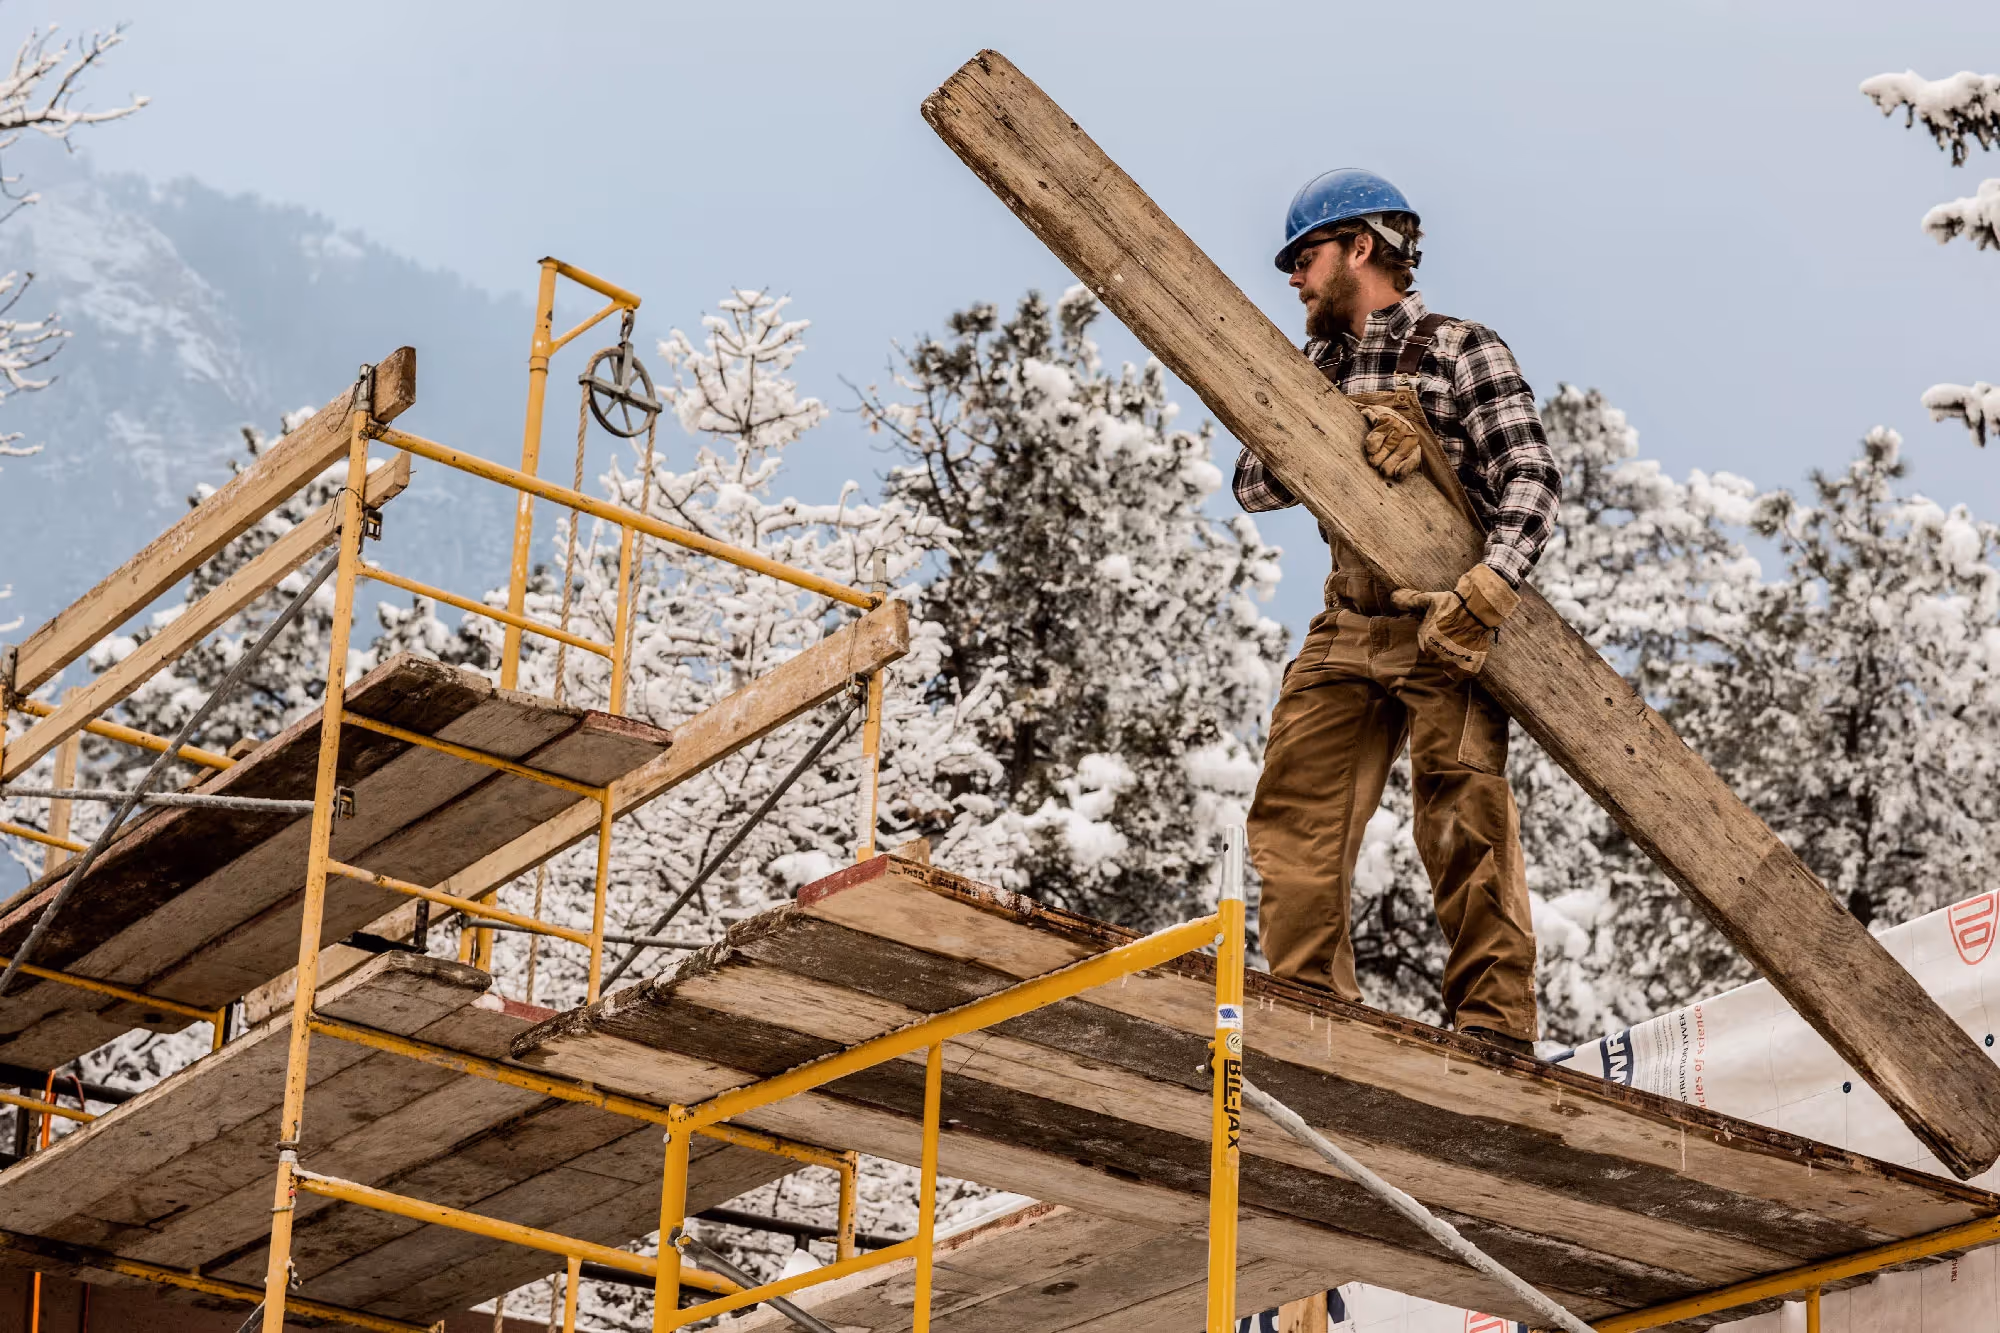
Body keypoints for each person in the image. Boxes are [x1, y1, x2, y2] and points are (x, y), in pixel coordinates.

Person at [1236, 168, 1562, 1056]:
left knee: (1465, 825)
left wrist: (1488, 589)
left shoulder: (1460, 349)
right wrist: (1334, 433)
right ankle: (1310, 1017)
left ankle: (1494, 1033)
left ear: (1362, 248)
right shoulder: (1312, 370)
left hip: (1444, 623)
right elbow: (1252, 485)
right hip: (1349, 622)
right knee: (1294, 815)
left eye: (1305, 258)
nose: (1295, 279)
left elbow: (1532, 479)